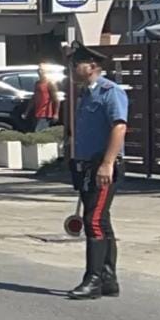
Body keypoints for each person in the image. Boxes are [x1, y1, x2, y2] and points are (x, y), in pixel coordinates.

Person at [67, 44, 128, 301]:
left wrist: (108, 163)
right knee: (102, 221)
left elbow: (119, 127)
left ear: (91, 66)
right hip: (87, 166)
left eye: (76, 64)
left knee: (93, 221)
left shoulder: (109, 92)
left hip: (103, 166)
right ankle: (108, 278)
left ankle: (92, 280)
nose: (72, 69)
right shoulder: (86, 94)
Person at [31, 64, 58, 133]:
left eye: (41, 70)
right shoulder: (37, 83)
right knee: (37, 132)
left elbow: (56, 99)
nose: (39, 71)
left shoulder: (50, 83)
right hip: (37, 113)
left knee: (38, 132)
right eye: (38, 70)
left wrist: (56, 114)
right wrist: (26, 111)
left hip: (45, 114)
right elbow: (33, 98)